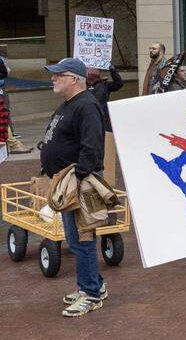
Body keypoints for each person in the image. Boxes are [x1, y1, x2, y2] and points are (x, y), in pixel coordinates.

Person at [40, 58, 106, 317]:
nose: (54, 78)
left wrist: (77, 177)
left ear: (75, 79)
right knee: (77, 238)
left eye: (59, 75)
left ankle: (90, 294)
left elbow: (92, 147)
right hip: (69, 181)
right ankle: (93, 285)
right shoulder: (71, 104)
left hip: (78, 182)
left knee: (82, 238)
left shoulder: (87, 105)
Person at [86, 65, 123, 133]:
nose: (92, 69)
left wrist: (113, 71)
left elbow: (119, 84)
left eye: (95, 68)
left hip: (103, 119)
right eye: (88, 67)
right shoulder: (80, 85)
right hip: (86, 119)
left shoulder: (105, 85)